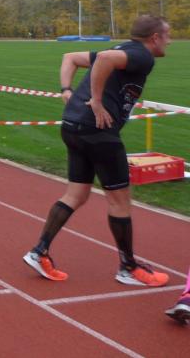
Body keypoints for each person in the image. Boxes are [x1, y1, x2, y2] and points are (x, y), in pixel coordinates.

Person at [23, 15, 172, 287]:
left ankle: (39, 251)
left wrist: (66, 90)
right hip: (97, 131)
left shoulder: (122, 49)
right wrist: (97, 100)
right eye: (167, 36)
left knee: (76, 194)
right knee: (120, 201)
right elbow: (103, 60)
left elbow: (70, 57)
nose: (169, 42)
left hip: (73, 126)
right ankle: (128, 268)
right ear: (155, 38)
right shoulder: (141, 56)